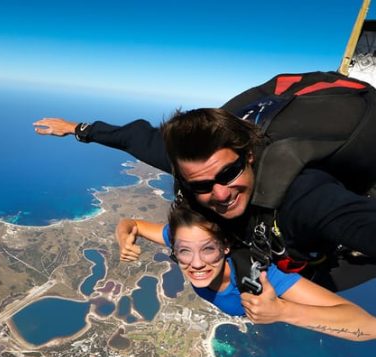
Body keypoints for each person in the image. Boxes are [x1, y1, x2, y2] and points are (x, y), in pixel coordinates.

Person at [34, 71, 376, 291]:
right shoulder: (190, 163)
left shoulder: (301, 196)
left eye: (229, 173)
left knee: (315, 277)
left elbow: (351, 221)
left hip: (321, 219)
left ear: (250, 156)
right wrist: (77, 129)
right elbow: (134, 137)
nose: (221, 193)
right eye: (201, 185)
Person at [115, 204, 376, 341]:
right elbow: (131, 224)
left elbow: (368, 326)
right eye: (184, 251)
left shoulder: (262, 276)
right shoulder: (181, 239)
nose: (195, 263)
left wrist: (283, 311)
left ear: (226, 247)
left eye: (208, 250)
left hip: (333, 266)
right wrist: (123, 239)